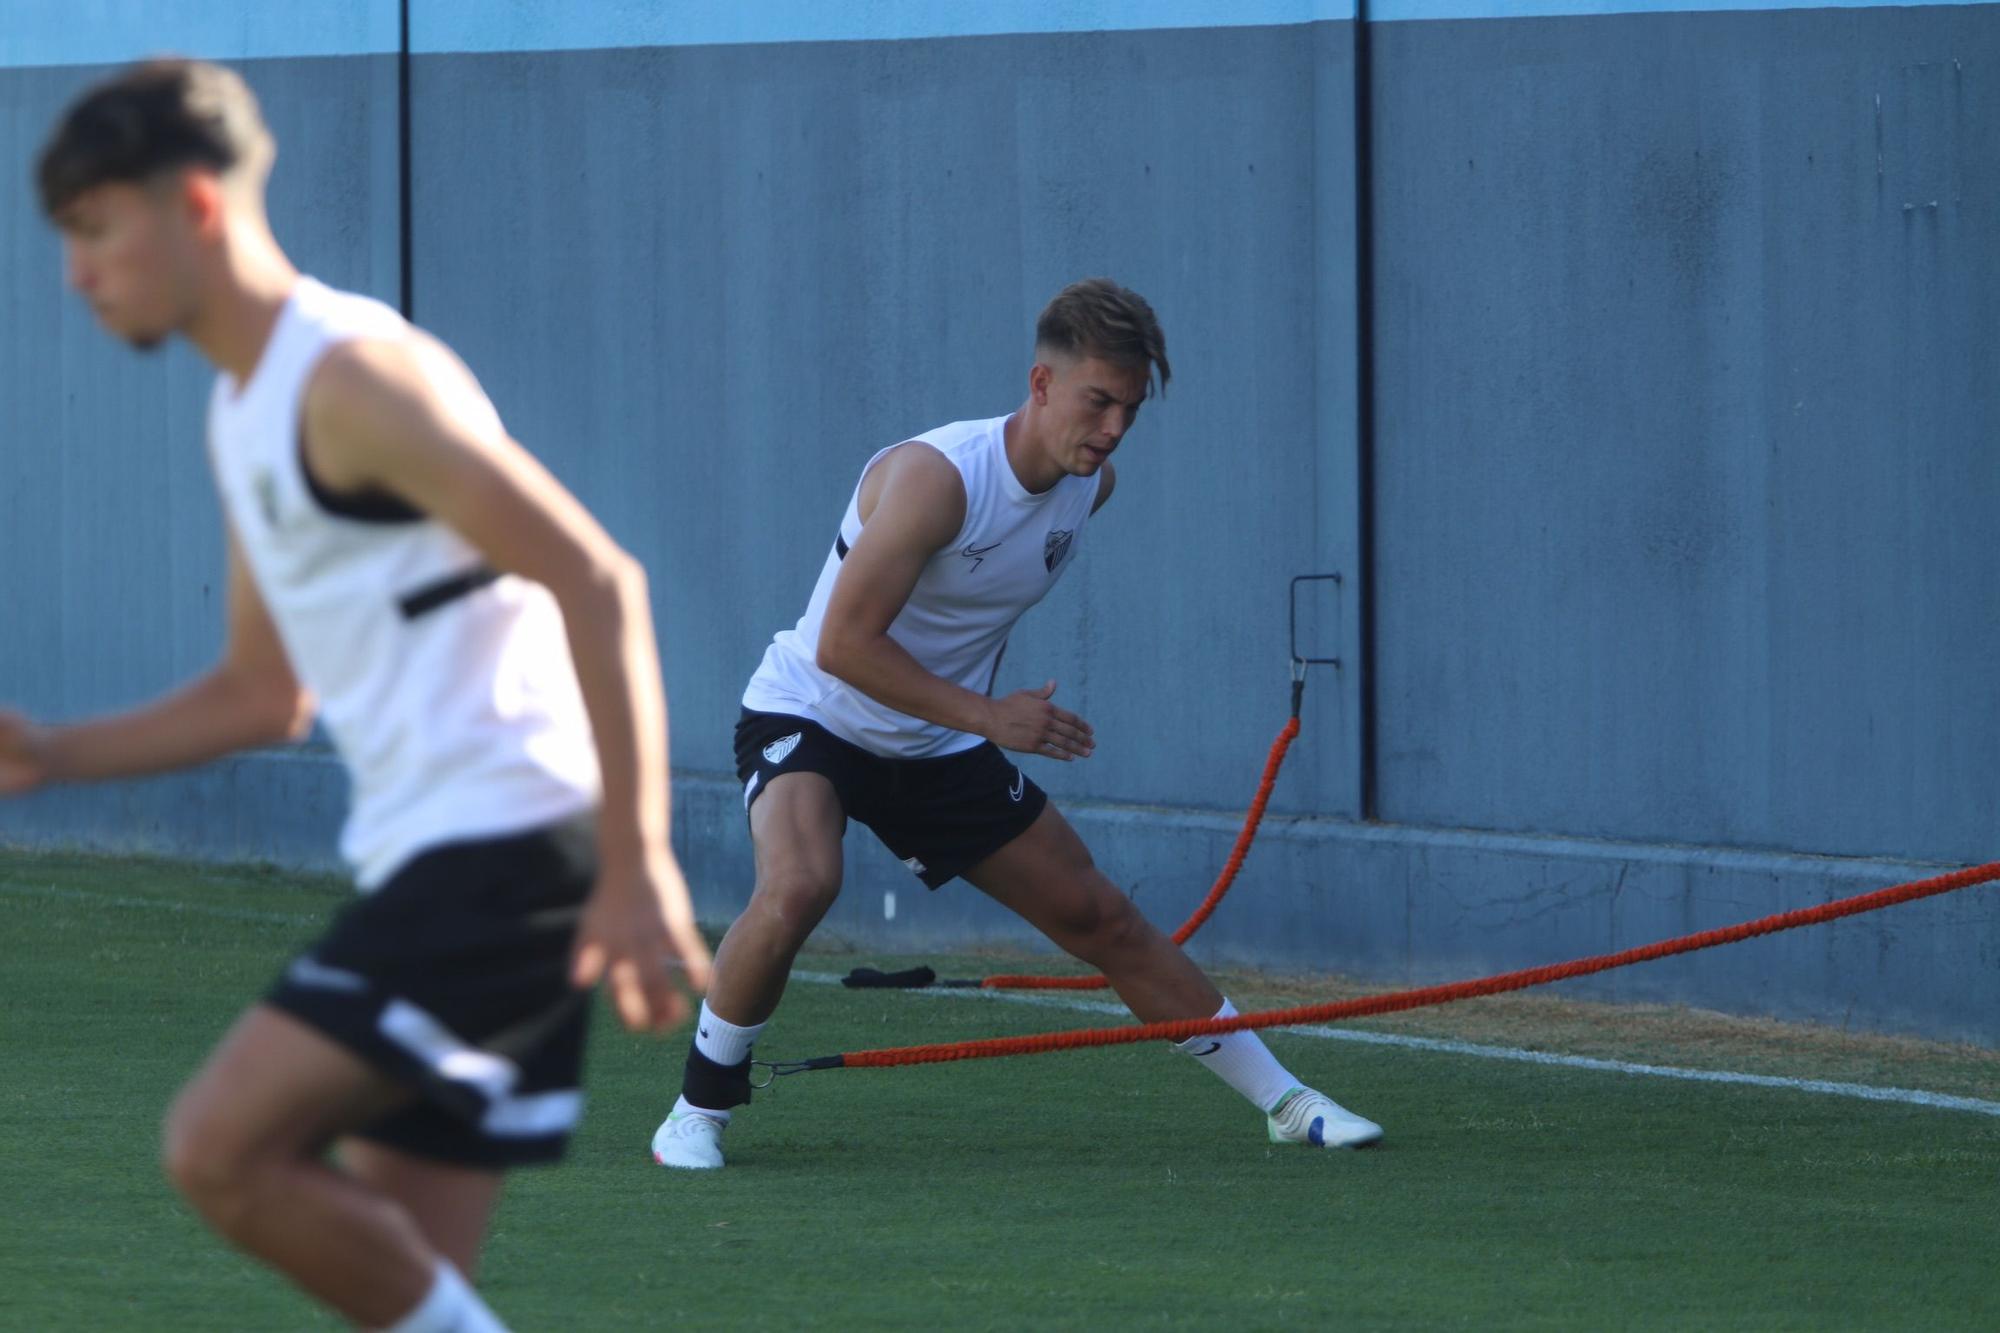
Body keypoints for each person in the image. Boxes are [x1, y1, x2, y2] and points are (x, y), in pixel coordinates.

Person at [2, 59, 712, 1331]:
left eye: (96, 228)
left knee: (214, 1148)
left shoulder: (351, 381)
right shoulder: (246, 410)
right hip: (452, 861)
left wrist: (635, 857)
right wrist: (48, 751)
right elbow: (263, 694)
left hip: (507, 850)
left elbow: (597, 577)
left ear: (197, 207)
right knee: (403, 1301)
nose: (77, 273)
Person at [652, 277, 1380, 1171]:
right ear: (1040, 385)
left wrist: (976, 720)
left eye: (1130, 408)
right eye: (1097, 401)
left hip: (936, 740)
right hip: (814, 713)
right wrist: (994, 715)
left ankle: (1286, 1101)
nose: (1113, 428)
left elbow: (969, 615)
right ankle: (697, 1109)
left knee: (1100, 916)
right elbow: (844, 643)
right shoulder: (936, 479)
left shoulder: (1090, 485)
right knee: (803, 881)